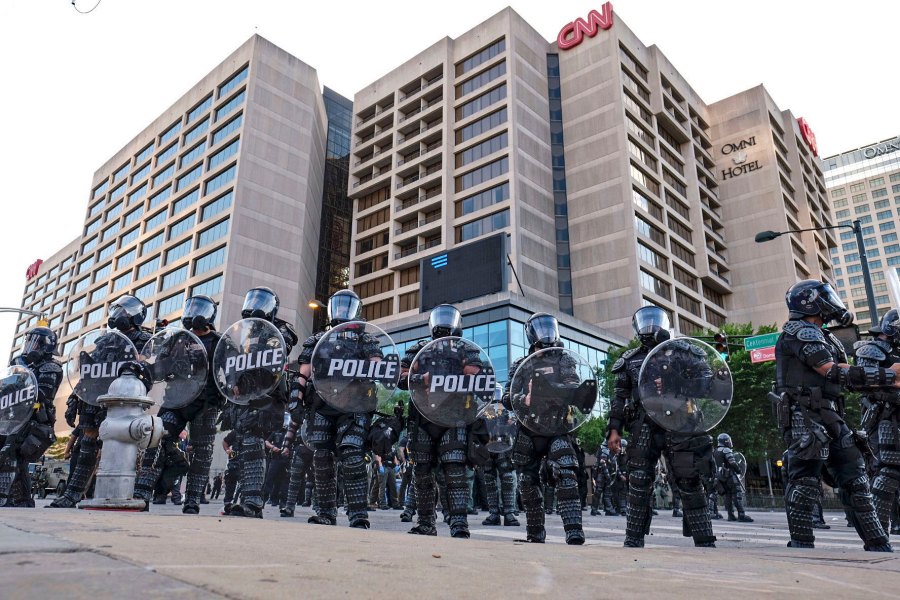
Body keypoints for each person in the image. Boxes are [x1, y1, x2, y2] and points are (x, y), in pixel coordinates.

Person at [774, 279, 899, 551]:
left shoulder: (825, 335)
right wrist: (890, 375)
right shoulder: (798, 331)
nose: (832, 302)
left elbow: (848, 377)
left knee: (856, 477)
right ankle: (802, 543)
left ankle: (878, 543)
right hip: (803, 415)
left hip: (830, 414)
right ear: (810, 302)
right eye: (825, 297)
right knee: (805, 480)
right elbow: (830, 371)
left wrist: (886, 379)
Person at [607, 306, 717, 548]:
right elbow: (619, 398)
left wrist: (675, 380)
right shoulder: (629, 360)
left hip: (681, 421)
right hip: (644, 423)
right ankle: (633, 538)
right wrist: (614, 429)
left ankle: (704, 539)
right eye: (644, 322)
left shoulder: (685, 353)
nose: (649, 327)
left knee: (689, 478)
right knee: (638, 479)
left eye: (653, 321)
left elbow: (707, 384)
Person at [50, 295, 152, 508]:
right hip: (95, 399)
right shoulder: (104, 340)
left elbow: (150, 372)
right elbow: (88, 374)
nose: (118, 315)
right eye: (116, 310)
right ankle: (72, 494)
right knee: (86, 446)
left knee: (123, 447)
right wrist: (74, 399)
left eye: (123, 311)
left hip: (121, 400)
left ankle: (131, 493)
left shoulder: (144, 341)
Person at [296, 290, 383, 528]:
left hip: (354, 404)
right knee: (322, 457)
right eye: (339, 306)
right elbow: (304, 371)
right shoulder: (318, 339)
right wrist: (297, 398)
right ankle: (325, 512)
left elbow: (377, 366)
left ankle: (358, 514)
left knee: (352, 455)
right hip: (323, 404)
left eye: (348, 306)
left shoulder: (365, 339)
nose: (343, 311)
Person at [133, 295, 225, 514]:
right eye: (192, 308)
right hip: (176, 400)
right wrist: (142, 366)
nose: (194, 312)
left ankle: (192, 500)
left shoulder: (221, 341)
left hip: (206, 403)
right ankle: (142, 495)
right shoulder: (176, 339)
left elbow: (231, 371)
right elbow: (160, 369)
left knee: (202, 452)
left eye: (199, 309)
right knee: (156, 440)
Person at [401, 304, 481, 538]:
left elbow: (477, 374)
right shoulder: (419, 349)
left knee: (455, 471)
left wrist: (454, 373)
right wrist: (422, 378)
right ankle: (426, 522)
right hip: (423, 417)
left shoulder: (465, 349)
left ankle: (459, 523)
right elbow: (400, 378)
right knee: (422, 472)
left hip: (454, 416)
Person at [507, 313, 586, 545]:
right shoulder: (520, 365)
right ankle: (535, 534)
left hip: (557, 426)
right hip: (529, 429)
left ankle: (574, 531)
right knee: (527, 482)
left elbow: (574, 389)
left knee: (566, 473)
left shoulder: (564, 360)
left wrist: (549, 391)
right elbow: (507, 398)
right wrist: (525, 398)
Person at [225, 287, 296, 518]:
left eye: (261, 301)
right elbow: (233, 358)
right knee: (244, 445)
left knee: (253, 442)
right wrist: (234, 381)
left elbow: (281, 348)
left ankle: (253, 502)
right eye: (252, 299)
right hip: (244, 395)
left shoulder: (281, 329)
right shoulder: (243, 332)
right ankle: (246, 499)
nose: (255, 305)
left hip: (266, 395)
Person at [0, 328, 63, 507]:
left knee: (12, 455)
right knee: (15, 459)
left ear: (46, 345)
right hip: (13, 417)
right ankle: (22, 500)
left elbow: (43, 393)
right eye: (30, 341)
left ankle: (11, 498)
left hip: (36, 418)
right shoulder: (24, 365)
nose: (31, 346)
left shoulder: (51, 367)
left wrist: (25, 371)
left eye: (35, 342)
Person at [855, 308, 900, 537]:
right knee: (888, 471)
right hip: (884, 418)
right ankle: (878, 529)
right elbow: (864, 383)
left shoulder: (896, 350)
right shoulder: (872, 350)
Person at [713, 433, 753, 522]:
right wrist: (738, 470)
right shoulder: (726, 450)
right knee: (737, 495)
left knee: (728, 496)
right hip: (730, 475)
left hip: (721, 477)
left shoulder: (715, 451)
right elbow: (732, 462)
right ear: (726, 441)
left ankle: (730, 515)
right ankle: (741, 515)